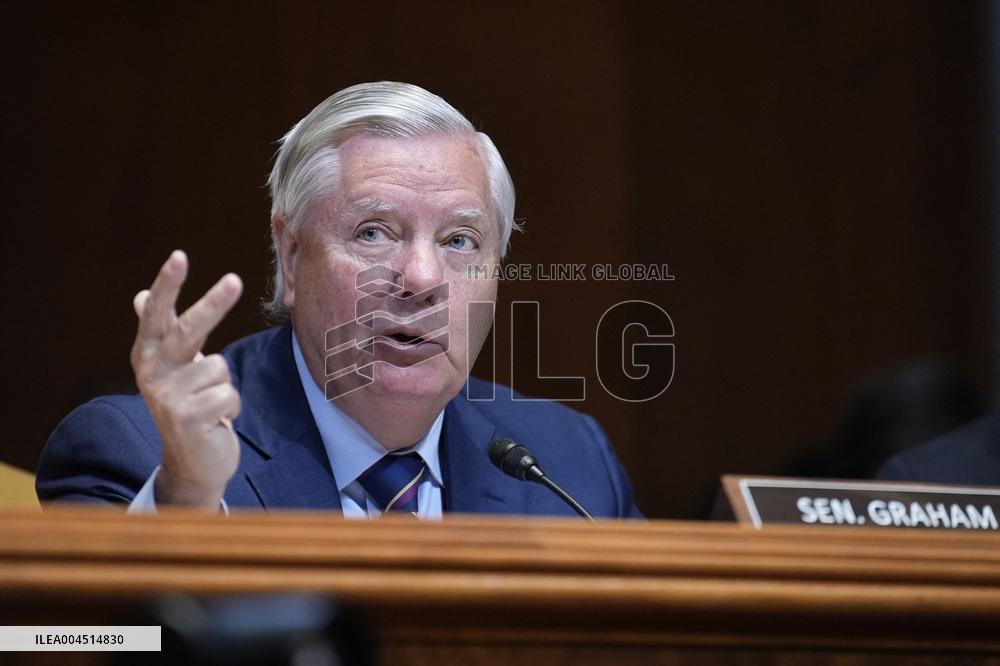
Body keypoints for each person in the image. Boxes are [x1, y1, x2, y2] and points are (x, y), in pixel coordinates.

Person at [36, 81, 641, 519]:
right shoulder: (143, 453)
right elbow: (75, 640)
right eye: (374, 232)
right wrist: (186, 503)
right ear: (292, 256)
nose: (422, 277)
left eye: (460, 240)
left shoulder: (569, 464)